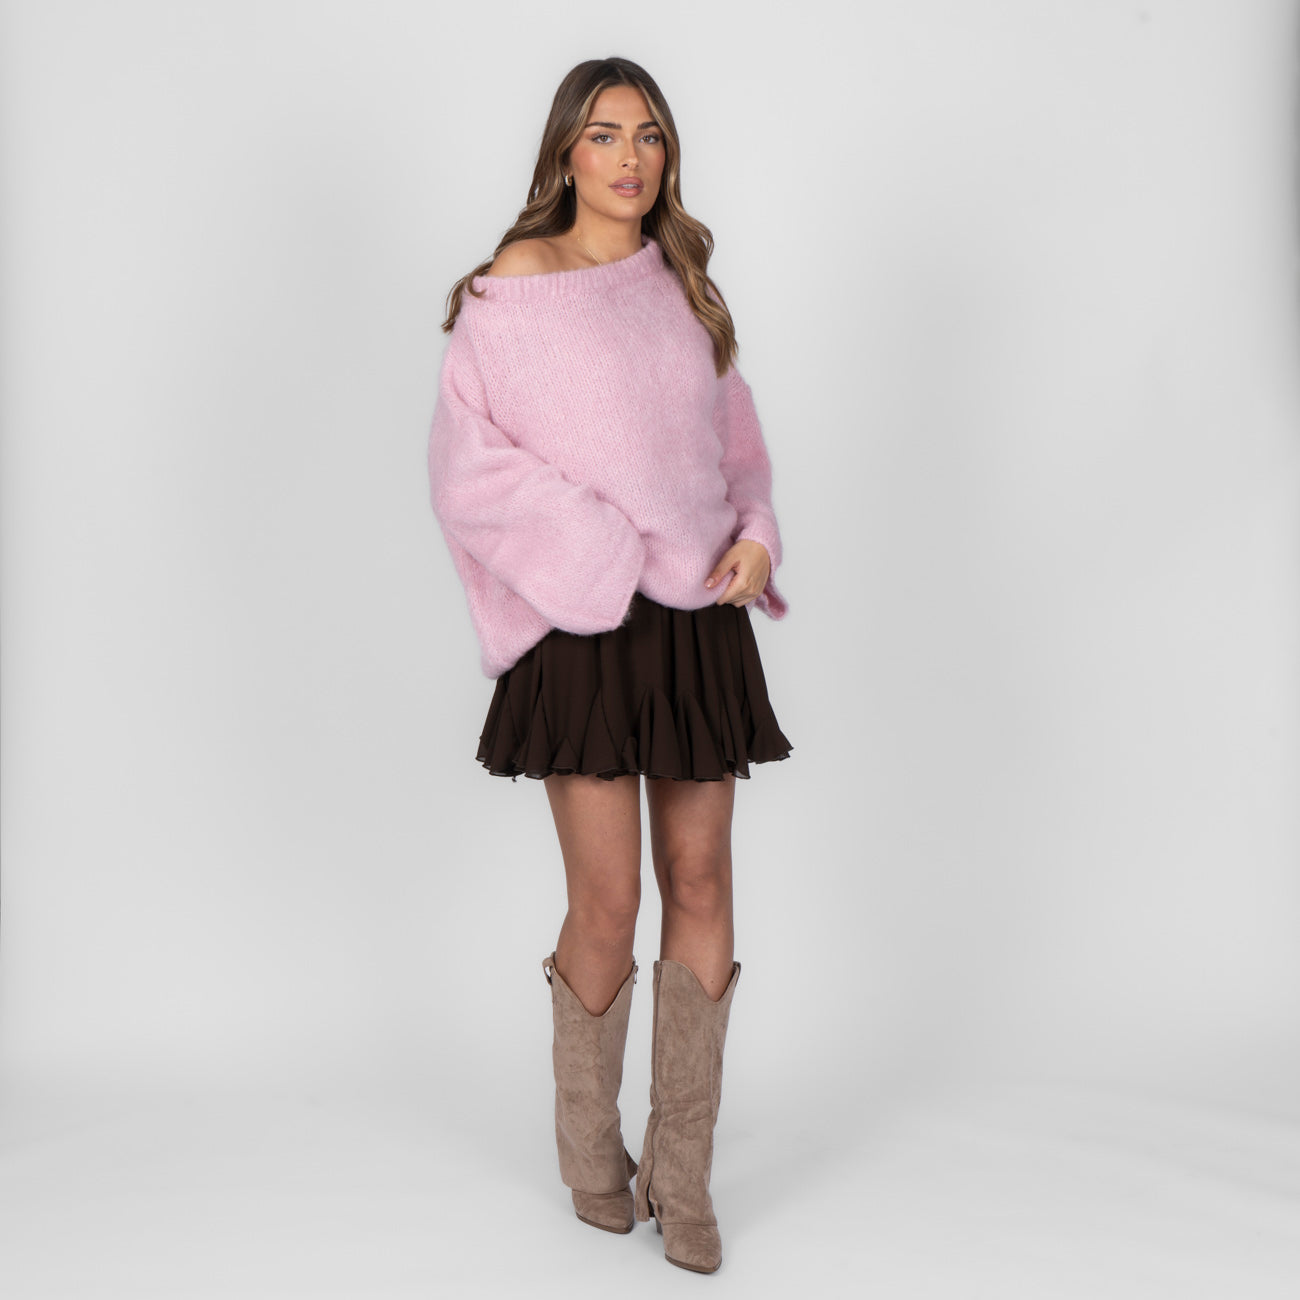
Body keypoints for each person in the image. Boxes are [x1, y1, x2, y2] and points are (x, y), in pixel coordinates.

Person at [427, 55, 792, 1276]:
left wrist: (753, 534)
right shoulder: (517, 284)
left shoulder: (682, 283)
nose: (628, 158)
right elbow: (465, 469)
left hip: (693, 624)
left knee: (702, 876)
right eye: (602, 135)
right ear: (564, 154)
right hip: (580, 630)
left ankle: (680, 1174)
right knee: (608, 900)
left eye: (647, 135)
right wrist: (594, 548)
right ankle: (590, 1150)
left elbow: (736, 445)